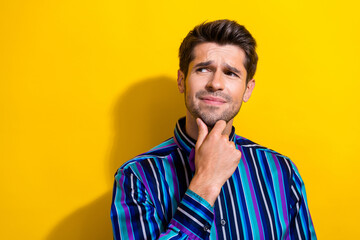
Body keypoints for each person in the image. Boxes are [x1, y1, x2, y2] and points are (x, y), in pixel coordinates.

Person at [110, 19, 316, 240]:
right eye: (203, 69)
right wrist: (206, 181)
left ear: (247, 89)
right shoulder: (136, 178)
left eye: (231, 73)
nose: (215, 83)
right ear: (182, 81)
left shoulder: (282, 173)